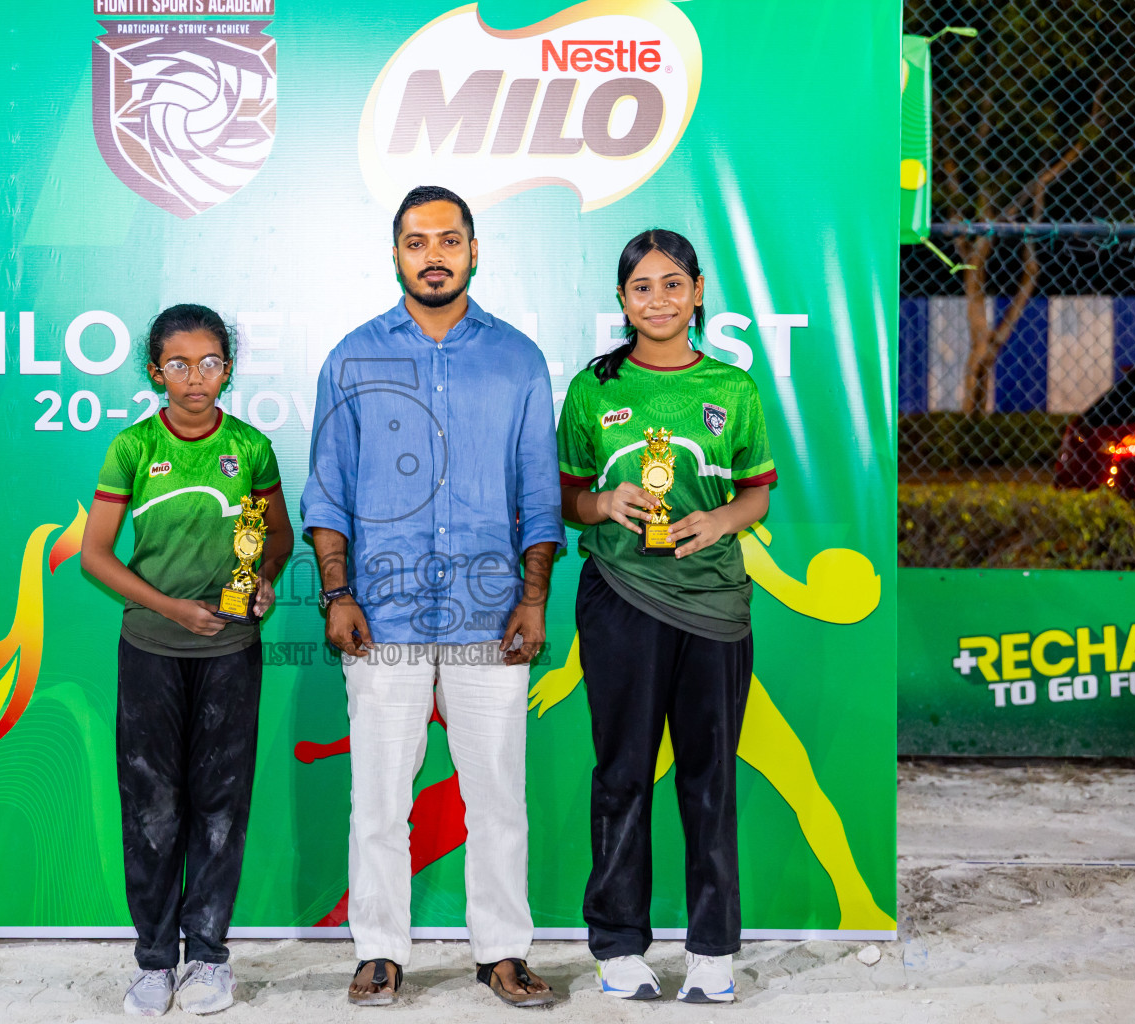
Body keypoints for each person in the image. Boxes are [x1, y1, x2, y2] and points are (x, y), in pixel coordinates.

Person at [301, 185, 564, 1007]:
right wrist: (337, 594)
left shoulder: (518, 360)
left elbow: (540, 493)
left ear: (475, 251)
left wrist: (533, 599)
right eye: (417, 242)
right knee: (379, 799)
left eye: (450, 240)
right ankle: (379, 951)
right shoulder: (352, 357)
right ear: (396, 256)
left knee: (498, 796)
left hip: (492, 614)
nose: (435, 256)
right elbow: (327, 491)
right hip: (383, 616)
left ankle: (503, 952)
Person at [557, 230, 777, 1004]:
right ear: (622, 300)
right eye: (642, 287)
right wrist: (603, 503)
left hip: (714, 605)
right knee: (622, 774)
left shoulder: (733, 388)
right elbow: (566, 497)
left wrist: (721, 521)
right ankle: (618, 945)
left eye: (673, 284)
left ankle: (713, 951)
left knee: (710, 778)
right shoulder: (594, 390)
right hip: (620, 599)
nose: (658, 300)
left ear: (699, 291)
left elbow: (757, 492)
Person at [80, 304, 293, 1017]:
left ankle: (207, 957)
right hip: (151, 649)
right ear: (155, 372)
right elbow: (95, 556)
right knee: (152, 807)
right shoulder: (134, 448)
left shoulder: (250, 448)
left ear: (227, 370)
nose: (195, 377)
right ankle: (153, 962)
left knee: (221, 806)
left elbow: (275, 536)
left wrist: (262, 580)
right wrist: (172, 609)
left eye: (209, 363)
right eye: (179, 364)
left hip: (231, 650)